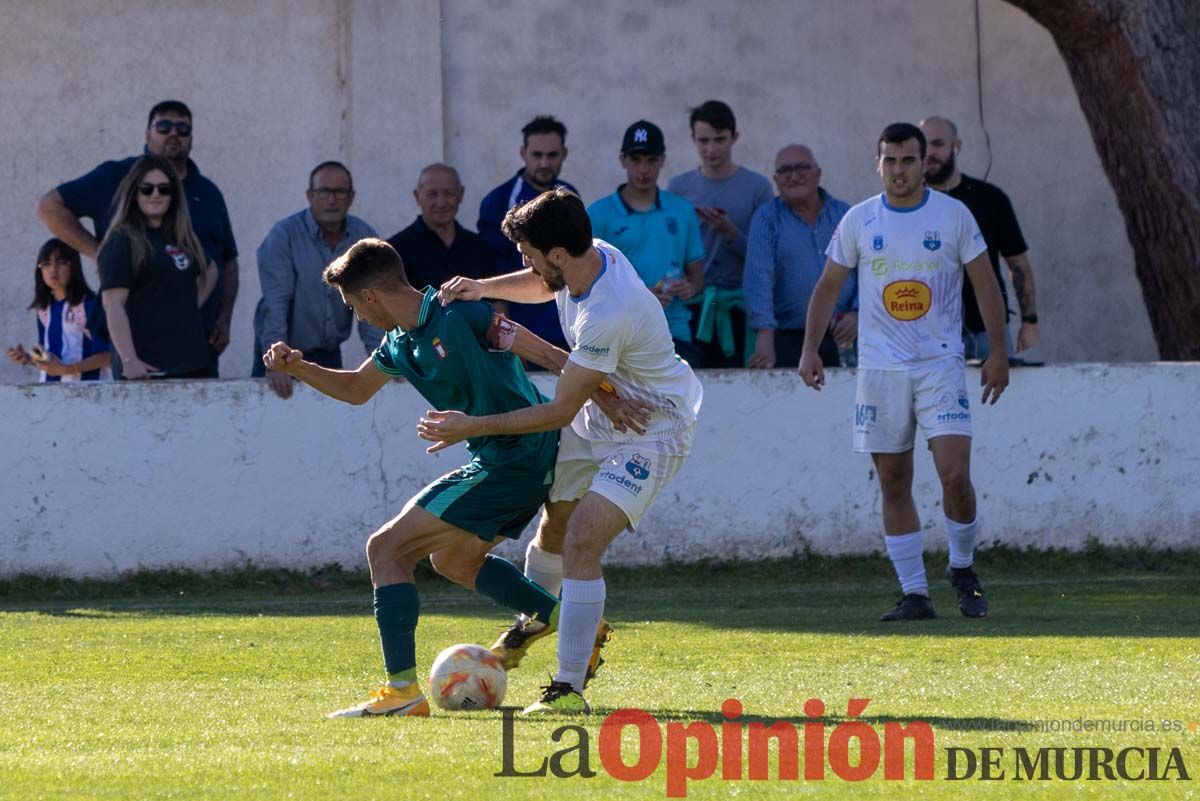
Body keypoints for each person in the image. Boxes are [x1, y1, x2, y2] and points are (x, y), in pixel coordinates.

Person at [262, 237, 645, 718]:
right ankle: (575, 623)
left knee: (385, 549)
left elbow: (549, 355)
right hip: (495, 457)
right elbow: (357, 388)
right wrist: (299, 367)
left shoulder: (460, 314)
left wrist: (610, 399)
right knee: (453, 561)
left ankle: (402, 693)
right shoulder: (399, 343)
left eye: (353, 305)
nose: (356, 314)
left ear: (371, 296)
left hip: (518, 455)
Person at [431, 189, 704, 715]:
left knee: (582, 539)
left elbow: (557, 410)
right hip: (601, 412)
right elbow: (542, 284)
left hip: (652, 429)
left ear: (557, 253)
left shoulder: (608, 311)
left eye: (529, 254)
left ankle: (568, 689)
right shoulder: (589, 255)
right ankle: (537, 617)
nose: (527, 263)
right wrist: (483, 287)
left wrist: (471, 427)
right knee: (553, 528)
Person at [797, 123, 1009, 622]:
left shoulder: (953, 216)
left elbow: (986, 284)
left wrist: (998, 352)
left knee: (955, 475)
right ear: (879, 164)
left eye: (908, 160)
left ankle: (962, 567)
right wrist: (810, 349)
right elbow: (828, 287)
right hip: (880, 370)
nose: (899, 170)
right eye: (889, 161)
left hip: (940, 365)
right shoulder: (859, 220)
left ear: (923, 164)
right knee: (893, 479)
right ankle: (915, 593)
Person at [37, 100, 238, 375]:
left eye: (182, 129)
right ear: (147, 133)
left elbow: (222, 264)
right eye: (164, 126)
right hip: (140, 350)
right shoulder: (114, 181)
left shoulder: (206, 195)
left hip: (196, 344)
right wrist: (101, 255)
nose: (173, 133)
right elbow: (49, 207)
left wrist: (212, 315)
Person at [252, 162, 384, 399]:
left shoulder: (363, 237)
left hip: (328, 353)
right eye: (324, 191)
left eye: (339, 192)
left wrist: (384, 361)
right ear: (309, 196)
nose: (331, 200)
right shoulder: (284, 235)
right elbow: (276, 303)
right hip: (280, 348)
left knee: (332, 417)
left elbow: (371, 305)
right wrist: (276, 361)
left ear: (351, 197)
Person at [920, 116, 1040, 359]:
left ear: (956, 146)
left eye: (938, 144)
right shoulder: (907, 205)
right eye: (923, 146)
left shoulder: (991, 199)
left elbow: (1017, 263)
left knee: (1000, 386)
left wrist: (1030, 321)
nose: (929, 153)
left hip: (989, 332)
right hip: (926, 337)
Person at [587, 120, 705, 365]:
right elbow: (587, 283)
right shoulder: (598, 214)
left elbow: (697, 275)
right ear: (623, 160)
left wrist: (690, 288)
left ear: (662, 160)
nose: (644, 169)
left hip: (675, 333)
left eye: (651, 160)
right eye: (636, 160)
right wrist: (639, 297)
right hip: (620, 336)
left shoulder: (682, 211)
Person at [667, 100, 773, 367]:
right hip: (690, 307)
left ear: (734, 137)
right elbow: (670, 249)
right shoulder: (678, 189)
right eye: (703, 141)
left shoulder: (757, 188)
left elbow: (766, 257)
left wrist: (731, 233)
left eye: (719, 139)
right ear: (693, 139)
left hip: (739, 308)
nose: (711, 149)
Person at [97, 156, 218, 380]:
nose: (156, 195)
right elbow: (112, 304)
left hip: (194, 364)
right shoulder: (122, 240)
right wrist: (129, 360)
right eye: (147, 189)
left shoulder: (181, 236)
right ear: (134, 193)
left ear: (174, 195)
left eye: (164, 189)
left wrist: (187, 308)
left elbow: (210, 271)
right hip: (147, 369)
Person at [745, 145, 856, 368]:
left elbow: (867, 270)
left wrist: (858, 313)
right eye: (785, 170)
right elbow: (759, 278)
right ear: (776, 180)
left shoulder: (845, 215)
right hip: (790, 340)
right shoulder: (766, 219)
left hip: (845, 336)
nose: (794, 176)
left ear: (818, 173)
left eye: (802, 168)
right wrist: (764, 335)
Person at [477, 116, 578, 353]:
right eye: (537, 155)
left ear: (564, 154)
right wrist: (508, 335)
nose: (544, 163)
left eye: (552, 155)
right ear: (523, 153)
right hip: (523, 329)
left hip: (568, 327)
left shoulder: (570, 196)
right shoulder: (499, 201)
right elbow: (490, 268)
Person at [7, 239, 110, 382]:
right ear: (40, 270)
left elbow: (109, 356)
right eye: (46, 264)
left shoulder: (88, 305)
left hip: (86, 391)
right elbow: (46, 354)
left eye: (61, 262)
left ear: (74, 266)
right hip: (50, 392)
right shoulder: (43, 309)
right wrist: (28, 358)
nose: (53, 269)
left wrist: (67, 369)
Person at [386, 163, 499, 292]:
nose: (441, 203)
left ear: (461, 194)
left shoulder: (481, 248)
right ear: (417, 196)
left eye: (449, 193)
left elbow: (496, 300)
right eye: (432, 194)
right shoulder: (396, 251)